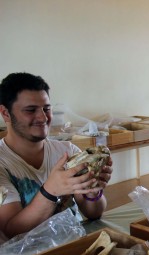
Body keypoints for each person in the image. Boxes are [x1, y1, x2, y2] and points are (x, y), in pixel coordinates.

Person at [0, 72, 113, 239]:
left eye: (46, 108)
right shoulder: (3, 163)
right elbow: (13, 230)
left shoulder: (68, 151)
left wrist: (92, 189)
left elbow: (94, 213)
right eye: (31, 110)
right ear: (5, 113)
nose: (43, 117)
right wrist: (50, 191)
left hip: (73, 244)